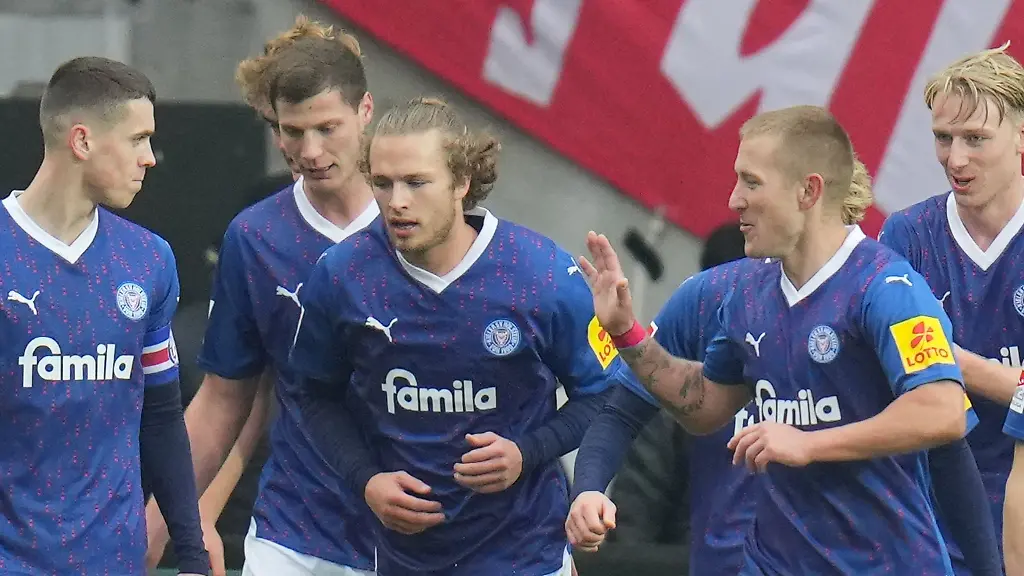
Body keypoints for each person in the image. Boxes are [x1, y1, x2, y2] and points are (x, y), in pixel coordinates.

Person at [580, 105, 969, 574]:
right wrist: (627, 334)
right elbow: (707, 405)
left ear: (809, 190)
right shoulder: (746, 294)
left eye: (752, 182)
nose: (733, 200)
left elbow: (943, 410)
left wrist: (809, 443)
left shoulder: (886, 288)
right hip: (774, 562)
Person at [286, 97, 622, 575]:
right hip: (400, 558)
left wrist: (530, 451)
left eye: (417, 182)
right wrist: (366, 479)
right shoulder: (343, 276)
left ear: (462, 182)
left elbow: (610, 394)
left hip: (525, 554)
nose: (397, 201)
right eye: (382, 183)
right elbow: (311, 394)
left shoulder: (541, 274)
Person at [145, 21, 381, 576]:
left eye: (328, 128)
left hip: (432, 534)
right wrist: (163, 524)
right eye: (291, 131)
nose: (310, 151)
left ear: (366, 110)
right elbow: (226, 398)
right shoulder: (255, 238)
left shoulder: (427, 222)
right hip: (295, 534)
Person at [0, 57, 208, 574]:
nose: (150, 158)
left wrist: (193, 551)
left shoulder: (149, 260)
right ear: (83, 141)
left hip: (114, 559)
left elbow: (161, 416)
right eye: (138, 139)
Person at [879, 42, 1024, 573]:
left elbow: (920, 368)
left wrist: (950, 363)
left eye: (975, 140)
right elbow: (884, 379)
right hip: (928, 519)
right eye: (944, 138)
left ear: (1020, 135)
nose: (955, 160)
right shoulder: (907, 235)